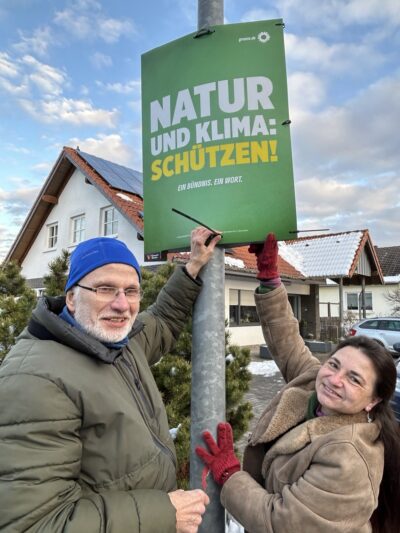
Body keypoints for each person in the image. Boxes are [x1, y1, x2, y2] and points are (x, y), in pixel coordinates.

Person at [0, 227, 221, 533]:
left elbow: (163, 320)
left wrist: (193, 266)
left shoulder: (118, 342)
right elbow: (36, 524)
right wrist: (164, 513)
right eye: (105, 289)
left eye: (131, 291)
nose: (122, 304)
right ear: (72, 299)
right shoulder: (35, 380)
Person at [196, 233, 400, 533]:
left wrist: (229, 475)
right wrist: (269, 279)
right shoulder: (315, 385)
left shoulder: (349, 457)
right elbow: (288, 341)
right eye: (334, 364)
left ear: (373, 400)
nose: (334, 379)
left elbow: (281, 522)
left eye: (354, 379)